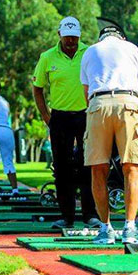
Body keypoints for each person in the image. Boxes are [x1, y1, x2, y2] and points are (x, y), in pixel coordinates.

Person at [80, 25, 138, 245]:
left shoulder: (90, 51)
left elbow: (86, 93)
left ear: (102, 37)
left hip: (98, 104)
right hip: (129, 102)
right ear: (121, 37)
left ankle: (105, 229)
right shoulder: (132, 48)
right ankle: (130, 228)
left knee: (98, 168)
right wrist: (136, 111)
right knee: (131, 167)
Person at [33, 16, 99, 229]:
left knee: (88, 164)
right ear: (59, 35)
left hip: (86, 115)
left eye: (75, 38)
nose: (71, 42)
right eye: (68, 37)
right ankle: (67, 216)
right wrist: (46, 117)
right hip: (59, 117)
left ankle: (90, 214)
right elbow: (38, 88)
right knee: (62, 168)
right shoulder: (47, 57)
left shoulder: (89, 53)